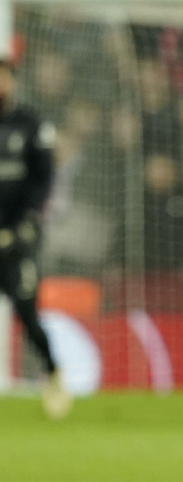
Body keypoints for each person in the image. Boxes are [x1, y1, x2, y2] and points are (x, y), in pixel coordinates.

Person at [0, 58, 71, 419]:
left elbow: (44, 180)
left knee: (27, 314)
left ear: (13, 81)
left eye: (4, 76)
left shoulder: (31, 125)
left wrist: (27, 223)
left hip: (17, 240)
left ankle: (53, 374)